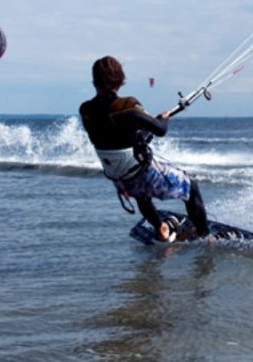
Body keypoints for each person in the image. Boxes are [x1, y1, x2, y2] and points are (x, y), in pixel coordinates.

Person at [79, 55, 209, 243]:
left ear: (95, 80)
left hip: (119, 178)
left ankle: (161, 228)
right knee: (192, 187)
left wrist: (143, 123)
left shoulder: (86, 110)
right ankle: (204, 237)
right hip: (141, 173)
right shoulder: (128, 105)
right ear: (120, 80)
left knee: (142, 194)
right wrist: (163, 119)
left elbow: (110, 130)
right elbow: (160, 130)